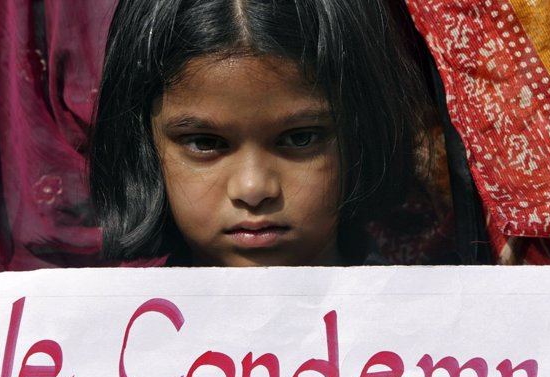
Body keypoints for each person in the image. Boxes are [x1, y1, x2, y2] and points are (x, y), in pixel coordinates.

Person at [89, 0, 429, 266]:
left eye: (300, 138)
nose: (253, 189)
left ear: (363, 132)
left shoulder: (429, 339)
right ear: (144, 145)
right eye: (205, 143)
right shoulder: (119, 343)